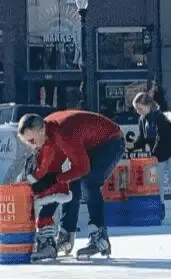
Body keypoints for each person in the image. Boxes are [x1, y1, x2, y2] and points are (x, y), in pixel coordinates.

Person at [16, 109, 126, 261]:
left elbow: (83, 168)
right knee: (67, 184)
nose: (31, 146)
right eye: (27, 142)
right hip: (88, 143)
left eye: (32, 141)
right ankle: (66, 235)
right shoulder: (47, 134)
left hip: (111, 141)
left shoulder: (63, 134)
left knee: (88, 182)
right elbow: (52, 176)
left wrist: (55, 179)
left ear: (41, 131)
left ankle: (100, 236)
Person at [131, 90, 171, 222]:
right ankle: (159, 206)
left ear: (147, 105)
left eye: (139, 108)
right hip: (158, 154)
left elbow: (161, 137)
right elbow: (143, 138)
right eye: (136, 109)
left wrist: (153, 155)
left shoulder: (160, 117)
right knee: (157, 181)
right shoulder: (142, 120)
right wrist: (132, 146)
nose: (138, 111)